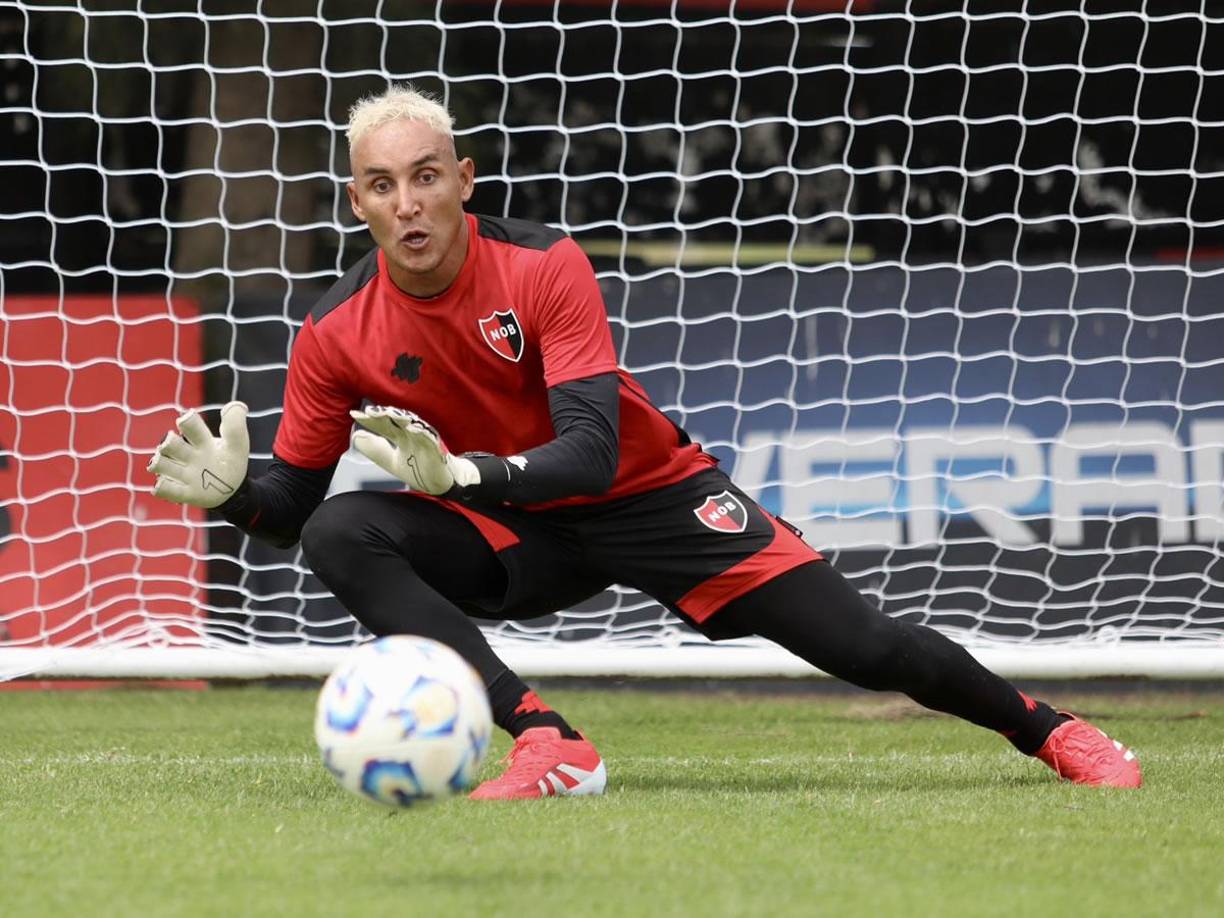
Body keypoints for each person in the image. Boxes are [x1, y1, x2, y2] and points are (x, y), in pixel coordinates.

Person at [147, 85, 1142, 799]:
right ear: (357, 203)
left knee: (867, 645)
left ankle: (1051, 732)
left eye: (424, 177)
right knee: (341, 534)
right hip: (515, 530)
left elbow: (588, 451)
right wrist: (236, 493)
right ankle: (548, 742)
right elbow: (289, 512)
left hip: (649, 494)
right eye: (380, 186)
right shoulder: (333, 332)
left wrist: (459, 473)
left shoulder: (543, 268)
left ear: (464, 180)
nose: (407, 204)